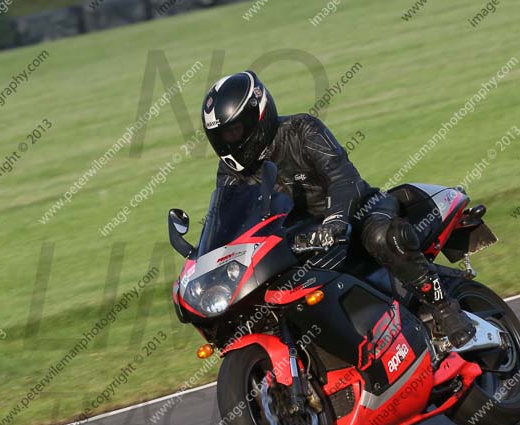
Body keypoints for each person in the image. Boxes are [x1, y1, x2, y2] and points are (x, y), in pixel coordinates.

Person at [201, 71, 476, 347]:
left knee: (381, 237)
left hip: (358, 212)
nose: (229, 143)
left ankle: (444, 307)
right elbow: (229, 218)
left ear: (257, 117)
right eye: (220, 137)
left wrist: (333, 221)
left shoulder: (301, 130)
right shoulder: (230, 172)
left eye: (233, 131)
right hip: (300, 242)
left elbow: (342, 178)